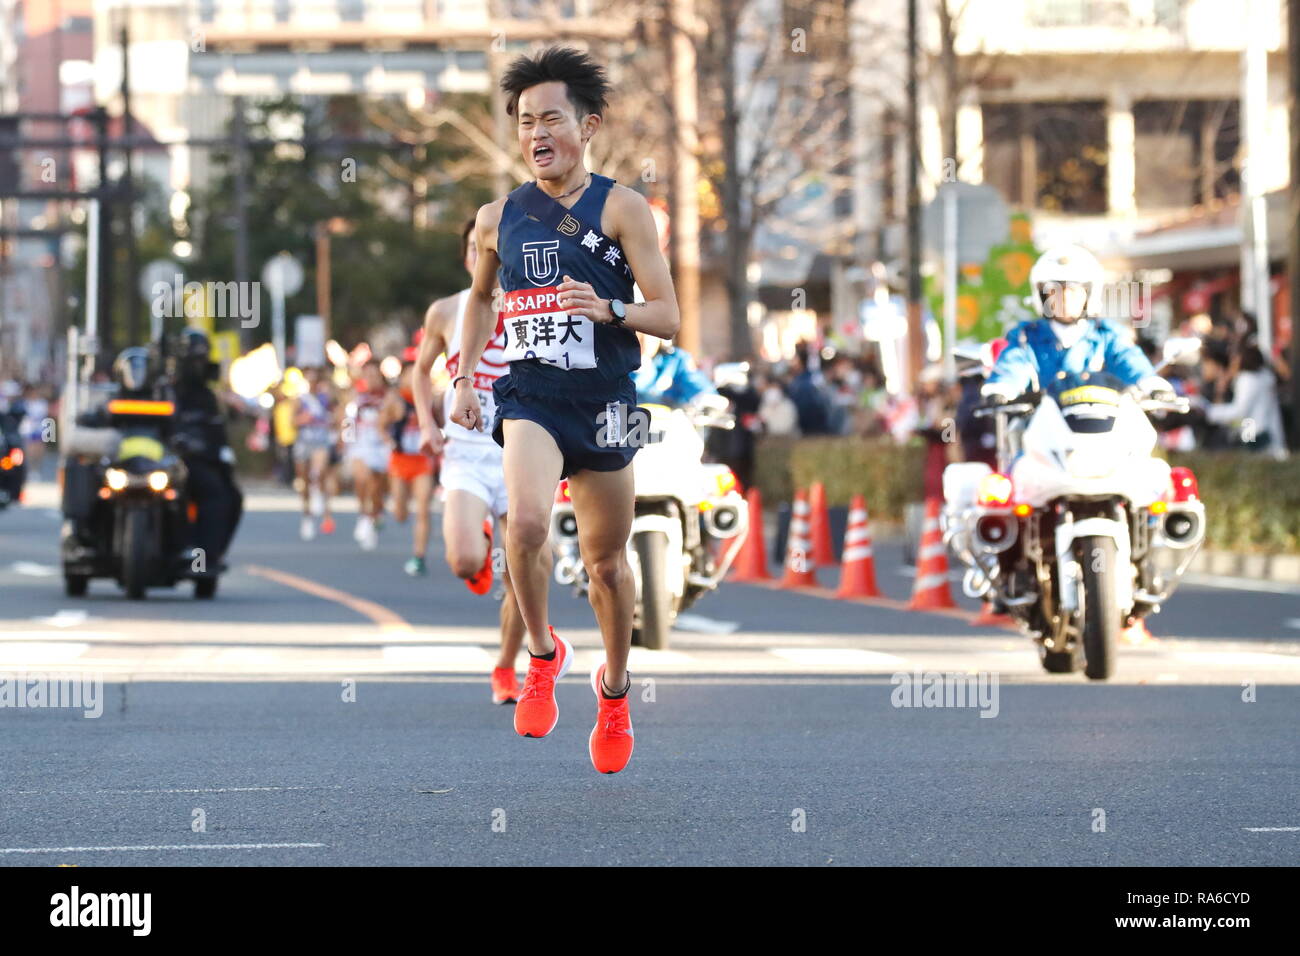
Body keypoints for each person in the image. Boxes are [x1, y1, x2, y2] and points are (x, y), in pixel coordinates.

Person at [448, 46, 680, 773]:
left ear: (589, 126)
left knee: (608, 564)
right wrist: (462, 379)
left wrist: (611, 308)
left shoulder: (623, 208)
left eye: (551, 118)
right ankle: (542, 654)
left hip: (607, 400)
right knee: (523, 523)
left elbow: (668, 315)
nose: (536, 133)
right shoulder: (498, 218)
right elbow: (482, 298)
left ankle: (614, 692)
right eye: (524, 122)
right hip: (531, 396)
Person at [414, 217, 530, 704]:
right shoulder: (445, 310)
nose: (483, 256)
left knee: (523, 574)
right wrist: (426, 424)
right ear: (469, 256)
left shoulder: (531, 305)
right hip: (466, 452)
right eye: (474, 249)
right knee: (463, 560)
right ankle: (478, 548)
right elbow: (421, 373)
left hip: (523, 450)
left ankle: (505, 666)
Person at [982, 244, 1173, 406]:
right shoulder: (1026, 337)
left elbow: (1128, 359)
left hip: (1102, 429)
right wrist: (1001, 389)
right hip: (1043, 432)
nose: (1065, 299)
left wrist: (1152, 383)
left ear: (1088, 294)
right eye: (1055, 292)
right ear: (1043, 297)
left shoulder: (1107, 335)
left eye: (1073, 291)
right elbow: (1013, 365)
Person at [172, 328, 243, 572]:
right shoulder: (164, 388)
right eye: (196, 359)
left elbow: (217, 430)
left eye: (202, 359)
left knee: (227, 495)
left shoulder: (207, 395)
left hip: (200, 460)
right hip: (163, 463)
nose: (200, 365)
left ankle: (205, 558)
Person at [383, 361, 437, 576]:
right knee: (400, 514)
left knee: (423, 509)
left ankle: (419, 556)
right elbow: (381, 426)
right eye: (409, 374)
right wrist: (390, 440)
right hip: (400, 461)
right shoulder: (395, 400)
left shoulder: (430, 399)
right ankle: (397, 509)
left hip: (422, 462)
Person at [343, 360, 392, 551]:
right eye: (367, 375)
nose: (371, 379)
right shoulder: (356, 397)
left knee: (376, 486)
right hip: (360, 443)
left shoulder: (388, 397)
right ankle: (364, 515)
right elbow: (347, 421)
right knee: (362, 479)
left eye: (374, 375)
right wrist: (345, 442)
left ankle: (375, 513)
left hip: (381, 446)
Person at [294, 367, 337, 540]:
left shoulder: (326, 398)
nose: (311, 384)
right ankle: (307, 515)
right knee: (303, 481)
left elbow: (339, 415)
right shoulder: (299, 400)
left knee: (319, 472)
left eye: (314, 380)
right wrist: (302, 419)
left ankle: (323, 507)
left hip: (321, 441)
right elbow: (291, 421)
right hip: (304, 441)